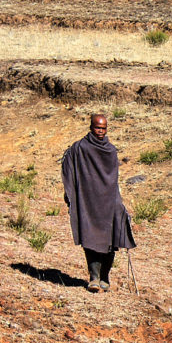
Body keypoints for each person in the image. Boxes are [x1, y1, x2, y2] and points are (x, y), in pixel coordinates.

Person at [60, 114, 136, 292]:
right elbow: (68, 165)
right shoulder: (80, 148)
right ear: (91, 127)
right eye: (97, 128)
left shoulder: (110, 150)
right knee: (90, 238)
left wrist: (119, 203)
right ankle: (94, 277)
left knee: (111, 238)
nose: (101, 132)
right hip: (88, 200)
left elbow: (113, 179)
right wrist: (71, 194)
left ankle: (105, 277)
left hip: (109, 200)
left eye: (104, 128)